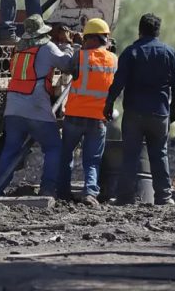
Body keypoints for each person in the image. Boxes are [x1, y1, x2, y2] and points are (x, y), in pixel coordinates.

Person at [104, 13, 175, 205]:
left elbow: (118, 83)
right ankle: (164, 197)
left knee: (130, 155)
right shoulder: (170, 53)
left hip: (134, 114)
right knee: (159, 154)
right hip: (159, 113)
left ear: (139, 30)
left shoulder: (131, 52)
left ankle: (125, 197)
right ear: (158, 31)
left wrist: (109, 103)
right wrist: (174, 108)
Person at [0, 14, 73, 197]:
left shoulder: (18, 48)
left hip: (13, 107)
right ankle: (47, 188)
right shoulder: (48, 47)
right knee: (53, 148)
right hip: (35, 106)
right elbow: (67, 65)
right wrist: (68, 45)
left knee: (11, 149)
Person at [56, 18, 117, 207]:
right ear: (104, 38)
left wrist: (71, 45)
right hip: (98, 119)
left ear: (89, 38)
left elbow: (65, 66)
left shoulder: (80, 56)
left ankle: (63, 192)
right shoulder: (114, 59)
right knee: (92, 160)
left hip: (74, 116)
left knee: (66, 155)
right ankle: (90, 193)